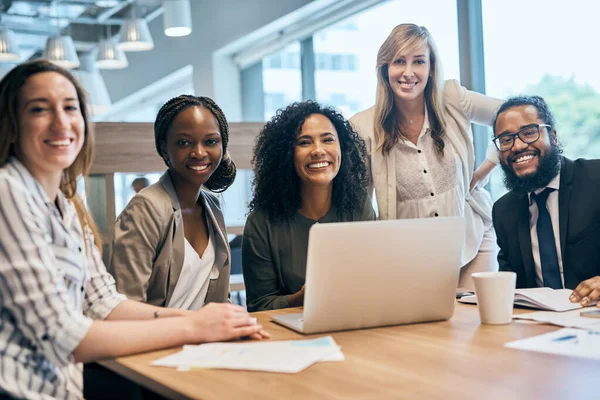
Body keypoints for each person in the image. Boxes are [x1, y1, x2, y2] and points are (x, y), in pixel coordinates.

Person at [0, 60, 266, 400]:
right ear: (11, 122)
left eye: (70, 107)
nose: (61, 121)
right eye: (39, 109)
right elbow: (61, 335)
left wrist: (213, 322)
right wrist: (193, 326)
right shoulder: (9, 191)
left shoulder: (66, 206)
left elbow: (104, 302)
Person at [350, 24, 503, 289]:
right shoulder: (362, 127)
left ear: (431, 68)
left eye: (418, 61)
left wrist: (487, 167)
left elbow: (510, 115)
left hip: (473, 240)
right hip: (410, 259)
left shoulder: (453, 98)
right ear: (385, 68)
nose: (408, 73)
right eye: (399, 61)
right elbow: (359, 203)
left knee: (473, 322)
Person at [243, 101, 375, 312]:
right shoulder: (261, 222)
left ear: (342, 148)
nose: (318, 150)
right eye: (304, 142)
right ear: (286, 154)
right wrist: (301, 298)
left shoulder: (359, 206)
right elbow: (259, 305)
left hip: (353, 325)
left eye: (328, 140)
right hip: (289, 337)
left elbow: (372, 283)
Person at [109, 95, 234, 310]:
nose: (199, 152)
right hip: (156, 339)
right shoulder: (145, 209)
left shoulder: (212, 206)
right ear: (164, 148)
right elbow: (125, 306)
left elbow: (218, 298)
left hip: (204, 339)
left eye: (211, 141)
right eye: (184, 142)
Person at [491, 95, 600, 308]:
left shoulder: (596, 179)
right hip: (539, 328)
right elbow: (512, 290)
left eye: (529, 132)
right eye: (506, 140)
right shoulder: (504, 211)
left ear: (553, 136)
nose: (517, 146)